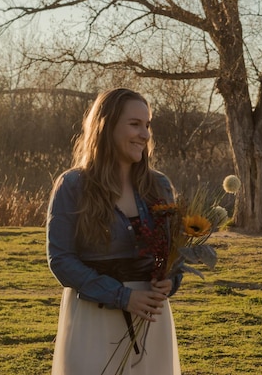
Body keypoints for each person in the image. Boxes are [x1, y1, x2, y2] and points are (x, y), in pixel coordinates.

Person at [46, 88, 182, 375]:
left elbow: (174, 253)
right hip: (94, 321)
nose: (145, 134)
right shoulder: (72, 186)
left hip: (152, 321)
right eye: (134, 124)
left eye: (147, 125)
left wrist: (171, 279)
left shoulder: (159, 186)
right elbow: (61, 260)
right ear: (106, 127)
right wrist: (122, 296)